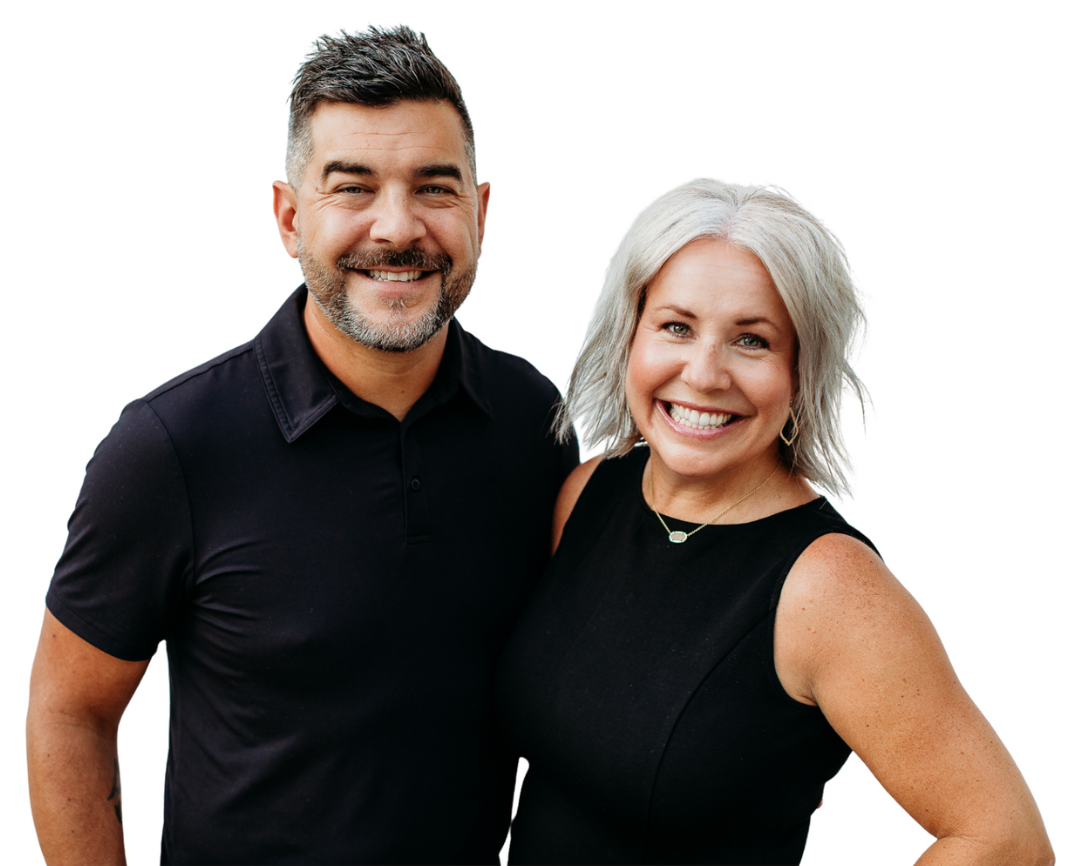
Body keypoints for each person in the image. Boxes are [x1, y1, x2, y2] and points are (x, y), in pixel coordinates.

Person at [27, 25, 577, 865]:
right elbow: (72, 711)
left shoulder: (533, 423)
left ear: (482, 210)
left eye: (435, 188)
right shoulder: (170, 445)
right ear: (288, 216)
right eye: (352, 188)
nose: (398, 228)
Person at [494, 179, 1055, 865]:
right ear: (630, 337)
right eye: (675, 326)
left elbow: (1006, 840)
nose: (703, 373)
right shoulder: (588, 495)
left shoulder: (830, 589)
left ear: (799, 372)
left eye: (752, 341)